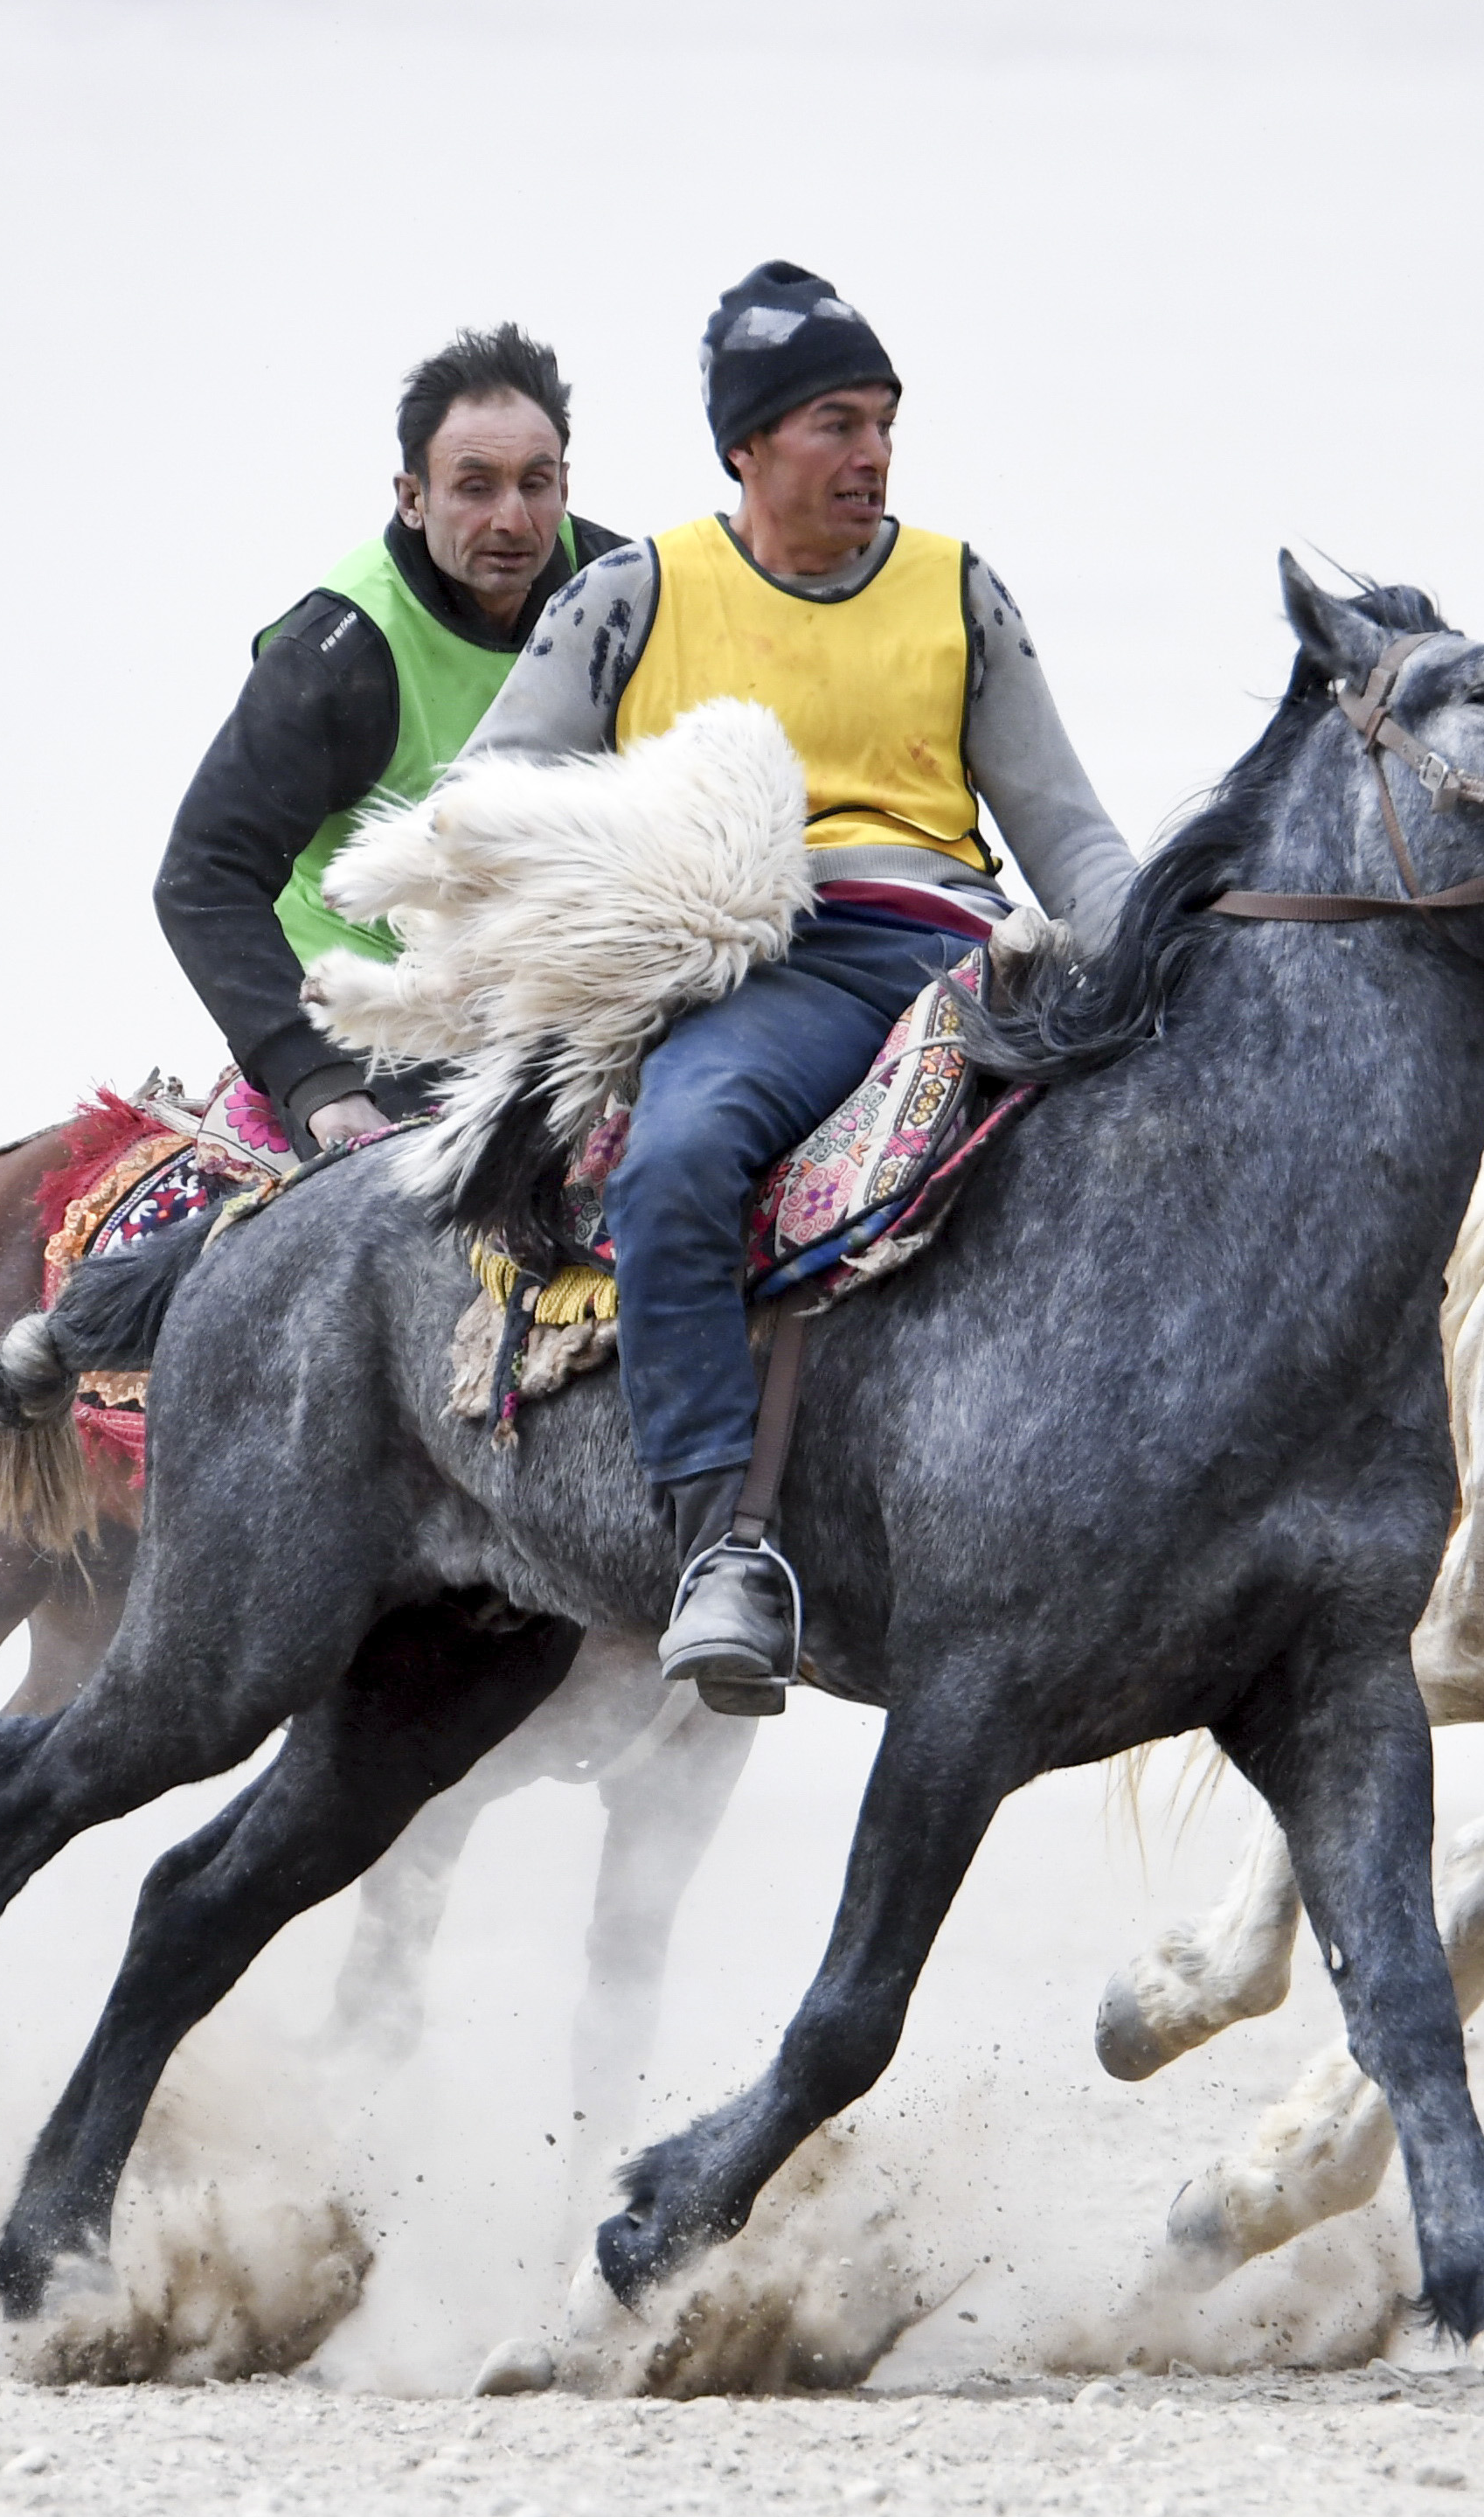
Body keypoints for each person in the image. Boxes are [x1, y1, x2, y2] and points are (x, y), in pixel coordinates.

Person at [463, 261, 1142, 1714]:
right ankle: (719, 1554)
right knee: (681, 1158)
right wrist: (648, 848)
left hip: (960, 953)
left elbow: (1067, 833)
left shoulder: (959, 589)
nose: (872, 454)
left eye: (885, 421)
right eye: (835, 422)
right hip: (761, 963)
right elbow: (494, 792)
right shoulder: (630, 597)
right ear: (748, 446)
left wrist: (1162, 961)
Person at [155, 325, 629, 1156]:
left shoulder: (625, 593)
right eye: (473, 486)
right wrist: (313, 1080)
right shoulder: (333, 655)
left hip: (553, 997)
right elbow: (202, 878)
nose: (512, 519)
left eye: (535, 484)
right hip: (382, 1019)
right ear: (413, 497)